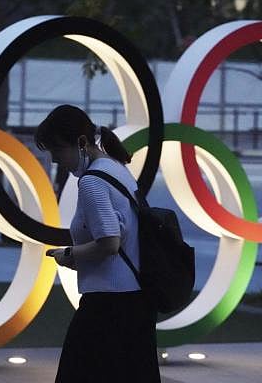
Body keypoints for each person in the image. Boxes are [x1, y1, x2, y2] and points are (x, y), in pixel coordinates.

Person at [35, 104, 161, 383]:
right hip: (136, 302)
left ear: (80, 143)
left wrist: (69, 254)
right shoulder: (117, 169)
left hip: (108, 305)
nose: (56, 160)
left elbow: (109, 243)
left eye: (57, 150)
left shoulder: (92, 182)